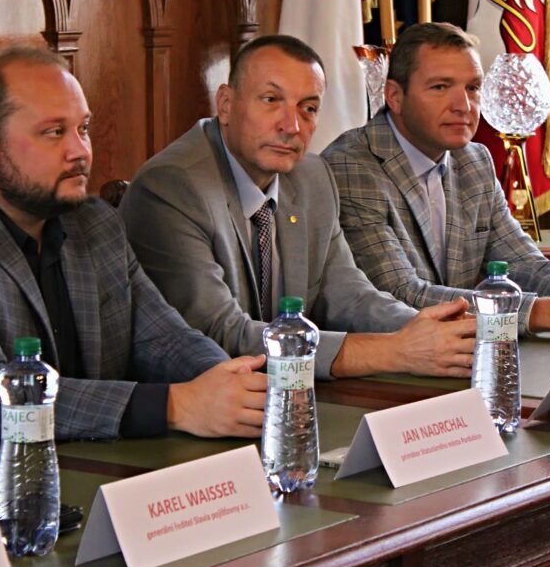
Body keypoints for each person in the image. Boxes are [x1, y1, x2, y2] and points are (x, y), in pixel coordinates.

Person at [0, 48, 265, 468]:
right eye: (54, 132)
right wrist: (175, 405)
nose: (80, 151)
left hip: (87, 465)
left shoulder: (93, 221)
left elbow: (165, 339)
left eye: (83, 128)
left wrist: (235, 387)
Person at [121, 35, 475, 381]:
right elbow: (219, 334)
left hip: (290, 391)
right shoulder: (172, 186)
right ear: (225, 104)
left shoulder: (311, 175)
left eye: (308, 109)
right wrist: (394, 351)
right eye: (271, 100)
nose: (291, 127)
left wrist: (429, 330)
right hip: (200, 403)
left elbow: (348, 295)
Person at [322, 23, 550, 338]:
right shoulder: (352, 166)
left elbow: (524, 262)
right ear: (395, 97)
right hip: (382, 359)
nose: (463, 105)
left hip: (460, 352)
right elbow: (401, 294)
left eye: (473, 87)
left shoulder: (474, 160)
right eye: (440, 87)